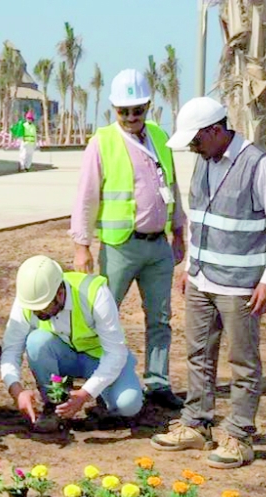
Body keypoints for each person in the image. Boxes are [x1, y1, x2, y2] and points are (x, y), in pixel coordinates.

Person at [150, 97, 266, 469]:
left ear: (216, 130)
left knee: (243, 362)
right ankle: (196, 423)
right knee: (198, 354)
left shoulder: (260, 166)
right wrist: (190, 266)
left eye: (196, 140)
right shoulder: (204, 161)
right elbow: (200, 218)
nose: (193, 149)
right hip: (201, 279)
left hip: (242, 285)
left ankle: (239, 435)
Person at [70, 69, 187, 410]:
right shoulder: (102, 142)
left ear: (149, 106)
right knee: (104, 315)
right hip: (120, 245)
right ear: (113, 109)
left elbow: (173, 187)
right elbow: (86, 196)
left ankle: (158, 382)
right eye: (125, 111)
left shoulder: (159, 136)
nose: (132, 117)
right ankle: (98, 383)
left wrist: (178, 230)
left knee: (160, 318)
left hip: (157, 247)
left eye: (138, 110)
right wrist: (82, 245)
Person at [0, 256, 144, 432]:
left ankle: (103, 402)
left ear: (59, 294)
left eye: (42, 308)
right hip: (64, 357)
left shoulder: (95, 294)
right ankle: (55, 404)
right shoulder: (29, 299)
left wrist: (86, 393)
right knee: (37, 341)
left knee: (128, 405)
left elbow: (115, 353)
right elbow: (11, 349)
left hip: (100, 358)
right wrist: (16, 391)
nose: (35, 313)